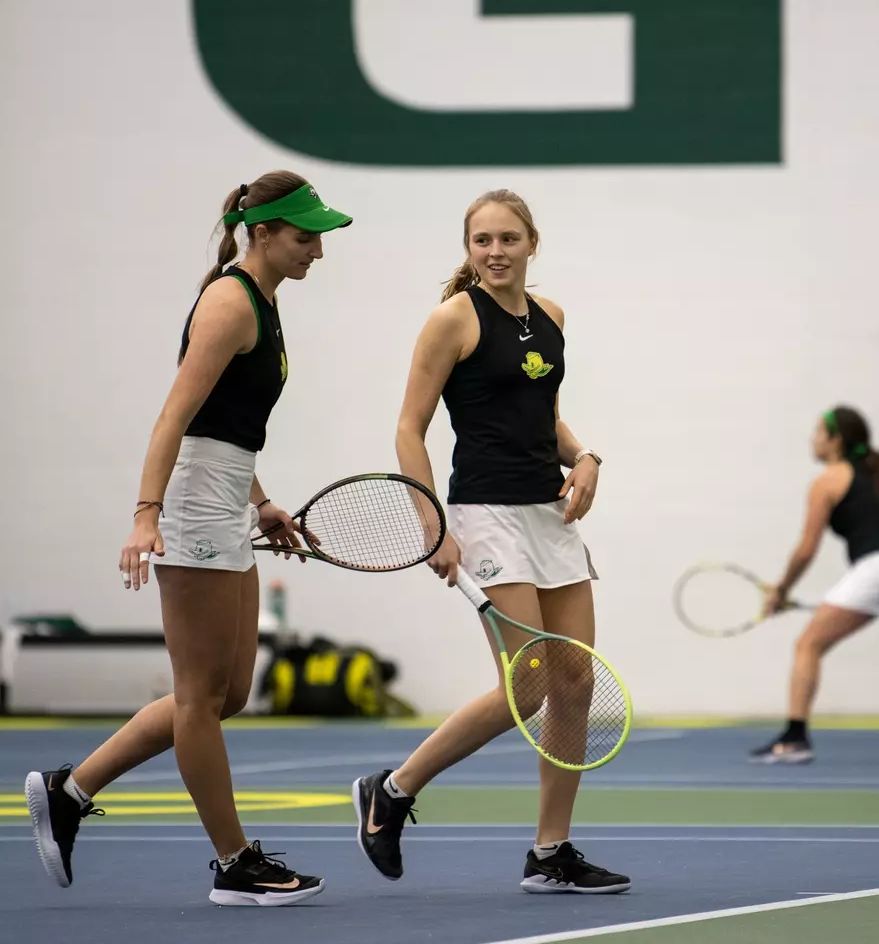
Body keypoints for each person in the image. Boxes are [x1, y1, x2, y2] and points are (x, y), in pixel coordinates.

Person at [25, 170, 352, 905]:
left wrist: (260, 500)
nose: (317, 252)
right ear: (262, 233)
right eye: (305, 237)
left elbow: (227, 425)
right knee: (199, 697)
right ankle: (235, 864)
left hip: (226, 495)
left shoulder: (262, 300)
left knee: (227, 692)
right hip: (196, 504)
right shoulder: (229, 304)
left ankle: (69, 791)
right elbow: (174, 418)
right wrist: (147, 514)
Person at [352, 189, 630, 894]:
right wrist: (431, 523)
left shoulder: (551, 317)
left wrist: (585, 457)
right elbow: (407, 429)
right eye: (482, 240)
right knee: (529, 684)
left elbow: (544, 416)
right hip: (484, 515)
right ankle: (393, 788)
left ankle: (550, 853)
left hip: (549, 515)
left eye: (508, 238)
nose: (495, 251)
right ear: (468, 248)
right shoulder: (452, 320)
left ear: (532, 243)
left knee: (574, 682)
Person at [751, 406, 879, 763]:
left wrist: (781, 590)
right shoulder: (872, 473)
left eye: (818, 432)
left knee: (808, 644)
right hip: (870, 572)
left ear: (835, 440)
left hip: (873, 568)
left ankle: (794, 738)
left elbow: (806, 551)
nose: (813, 438)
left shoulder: (827, 481)